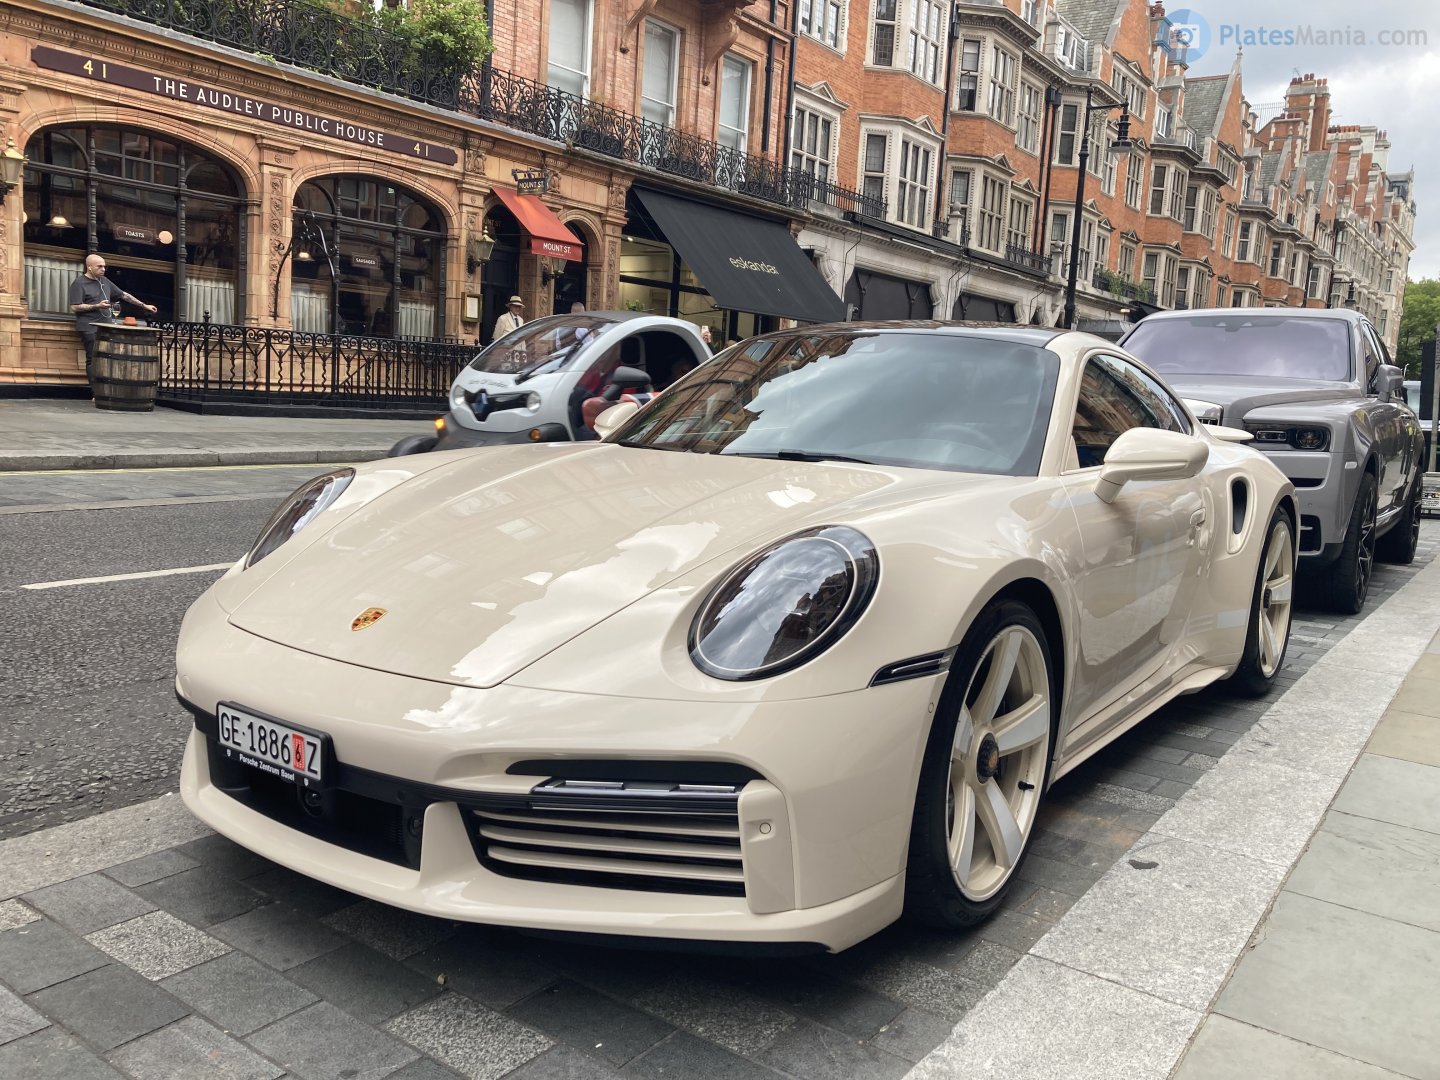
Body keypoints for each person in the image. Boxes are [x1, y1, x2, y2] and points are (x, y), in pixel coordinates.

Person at [68, 254, 157, 381]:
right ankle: (95, 392)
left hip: (107, 328)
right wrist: (97, 306)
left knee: (108, 358)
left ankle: (106, 388)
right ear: (89, 267)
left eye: (104, 267)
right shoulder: (79, 283)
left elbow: (124, 295)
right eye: (99, 266)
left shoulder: (104, 281)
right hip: (89, 328)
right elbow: (75, 307)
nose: (103, 269)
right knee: (93, 358)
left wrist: (144, 305)